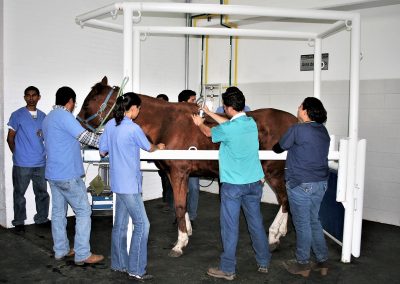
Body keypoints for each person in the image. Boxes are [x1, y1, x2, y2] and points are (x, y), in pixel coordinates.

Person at [191, 87, 271, 280]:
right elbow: (230, 122)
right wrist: (211, 113)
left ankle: (227, 268)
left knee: (229, 227)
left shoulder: (226, 130)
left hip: (234, 186)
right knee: (256, 223)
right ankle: (264, 261)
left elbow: (209, 133)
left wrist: (200, 123)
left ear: (227, 108)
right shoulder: (251, 122)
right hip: (254, 183)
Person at [99, 92, 165, 281]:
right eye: (139, 108)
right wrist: (158, 147)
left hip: (117, 182)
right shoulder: (133, 128)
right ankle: (136, 268)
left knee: (120, 225)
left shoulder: (110, 125)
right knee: (142, 224)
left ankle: (119, 264)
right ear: (134, 108)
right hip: (129, 184)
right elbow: (148, 147)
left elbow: (102, 151)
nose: (139, 111)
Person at [42, 86, 104, 265]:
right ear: (70, 101)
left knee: (58, 213)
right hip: (67, 174)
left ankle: (60, 250)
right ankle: (83, 253)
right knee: (84, 211)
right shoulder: (65, 116)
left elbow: (65, 141)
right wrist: (108, 141)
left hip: (53, 174)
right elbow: (85, 137)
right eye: (74, 103)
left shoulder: (48, 118)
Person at [272, 97, 330, 277]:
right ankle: (322, 261)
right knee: (314, 221)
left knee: (302, 224)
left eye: (300, 106)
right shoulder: (323, 131)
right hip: (320, 183)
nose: (297, 108)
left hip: (300, 184)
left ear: (305, 111)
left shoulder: (298, 129)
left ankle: (303, 264)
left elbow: (279, 148)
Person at [6, 86, 50, 233]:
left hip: (40, 162)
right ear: (25, 97)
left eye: (34, 95)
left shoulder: (44, 117)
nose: (31, 98)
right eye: (28, 95)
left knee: (42, 193)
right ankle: (19, 222)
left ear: (39, 97)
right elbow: (10, 138)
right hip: (22, 163)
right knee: (19, 193)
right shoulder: (17, 115)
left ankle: (42, 218)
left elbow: (45, 138)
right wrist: (16, 154)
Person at [178, 90, 200, 223]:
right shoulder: (174, 119)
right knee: (179, 189)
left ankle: (191, 216)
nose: (195, 103)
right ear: (183, 102)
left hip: (193, 160)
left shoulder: (197, 117)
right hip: (179, 161)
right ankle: (180, 215)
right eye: (192, 100)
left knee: (193, 188)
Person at [156, 94, 174, 212]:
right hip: (159, 152)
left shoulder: (171, 117)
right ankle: (166, 200)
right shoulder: (155, 118)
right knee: (164, 177)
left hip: (169, 152)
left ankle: (170, 202)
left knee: (170, 178)